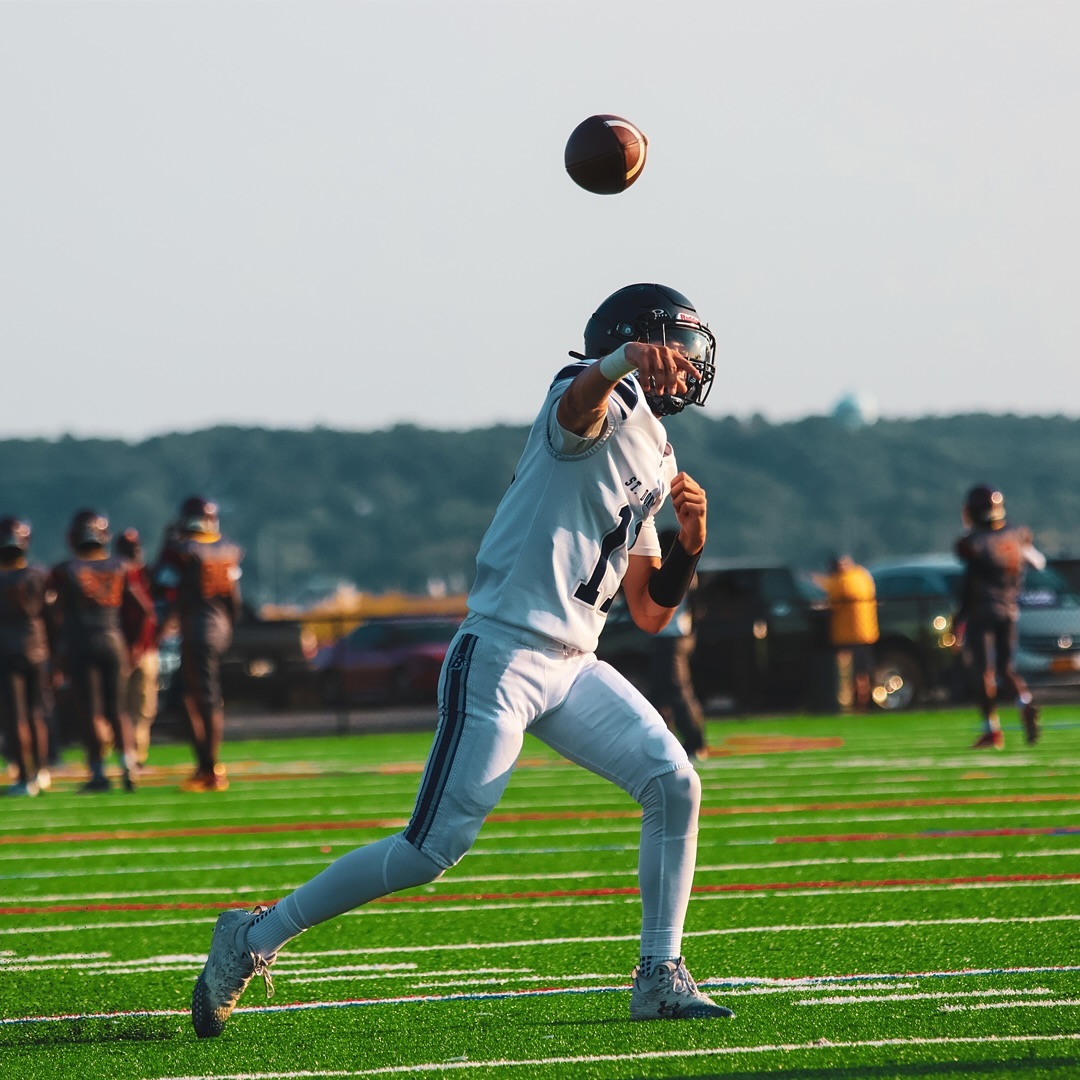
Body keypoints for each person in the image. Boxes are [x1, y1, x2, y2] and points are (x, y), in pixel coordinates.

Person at [190, 282, 735, 1037]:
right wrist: (619, 362)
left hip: (574, 662)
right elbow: (579, 403)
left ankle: (659, 974)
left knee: (674, 781)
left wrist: (690, 548)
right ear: (636, 339)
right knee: (430, 850)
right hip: (504, 652)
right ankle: (252, 936)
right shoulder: (591, 391)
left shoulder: (659, 446)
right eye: (677, 344)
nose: (690, 364)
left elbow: (648, 609)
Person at [47, 509, 153, 792]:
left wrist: (57, 650)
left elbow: (55, 614)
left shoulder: (65, 571)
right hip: (113, 639)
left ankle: (98, 771)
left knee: (91, 711)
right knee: (119, 709)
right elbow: (145, 609)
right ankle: (128, 764)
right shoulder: (120, 567)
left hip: (81, 642)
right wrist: (135, 645)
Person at [153, 497, 242, 792]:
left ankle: (210, 769)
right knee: (189, 697)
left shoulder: (185, 551)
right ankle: (206, 765)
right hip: (219, 627)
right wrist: (228, 627)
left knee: (203, 698)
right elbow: (234, 599)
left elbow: (160, 584)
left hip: (198, 630)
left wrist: (167, 546)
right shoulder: (227, 549)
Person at [954, 484, 1043, 749]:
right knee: (1006, 669)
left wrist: (959, 618)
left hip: (983, 609)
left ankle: (991, 730)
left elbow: (970, 585)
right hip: (1010, 608)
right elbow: (1038, 562)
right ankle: (1024, 701)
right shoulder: (1017, 534)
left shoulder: (974, 543)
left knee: (983, 670)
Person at [0, 517, 52, 797]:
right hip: (37, 649)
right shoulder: (39, 575)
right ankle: (41, 772)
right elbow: (51, 616)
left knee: (15, 717)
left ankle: (24, 776)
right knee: (36, 714)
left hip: (7, 652)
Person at [645, 528, 707, 758]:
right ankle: (666, 741)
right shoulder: (685, 566)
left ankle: (695, 742)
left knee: (678, 691)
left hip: (672, 636)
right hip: (673, 635)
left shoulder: (675, 568)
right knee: (659, 692)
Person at [114, 528, 160, 766]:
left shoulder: (147, 574)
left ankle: (137, 753)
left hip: (145, 649)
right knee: (120, 705)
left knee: (143, 706)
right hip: (120, 648)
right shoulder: (115, 575)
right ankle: (124, 751)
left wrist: (143, 644)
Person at [816, 554, 880, 711]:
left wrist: (820, 582)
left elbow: (833, 597)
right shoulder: (863, 576)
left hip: (849, 635)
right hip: (866, 633)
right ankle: (864, 702)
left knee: (850, 673)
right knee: (863, 672)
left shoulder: (844, 580)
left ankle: (855, 704)